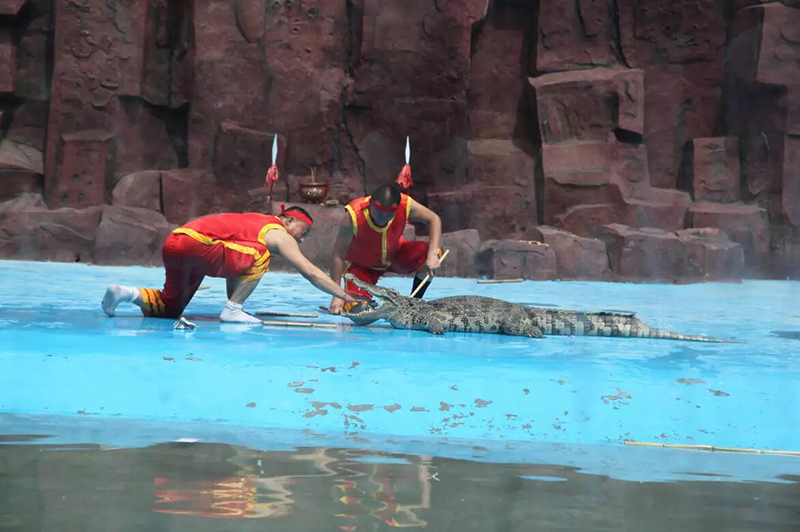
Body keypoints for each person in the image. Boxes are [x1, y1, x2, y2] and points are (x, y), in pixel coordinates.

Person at [102, 206, 364, 323]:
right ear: (288, 221)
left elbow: (234, 262)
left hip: (176, 241)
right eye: (303, 232)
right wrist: (344, 294)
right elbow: (310, 272)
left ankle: (124, 293)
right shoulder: (276, 232)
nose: (301, 240)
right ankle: (233, 310)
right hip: (198, 246)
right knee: (261, 254)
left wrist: (234, 300)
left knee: (170, 308)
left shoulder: (254, 220)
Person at [328, 183, 443, 317]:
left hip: (395, 257)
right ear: (370, 204)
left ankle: (414, 304)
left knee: (432, 253)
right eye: (379, 213)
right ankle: (360, 302)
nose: (383, 218)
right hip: (362, 268)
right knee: (359, 310)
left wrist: (432, 254)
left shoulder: (405, 203)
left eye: (389, 214)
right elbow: (338, 255)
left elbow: (434, 219)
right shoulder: (353, 214)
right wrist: (337, 294)